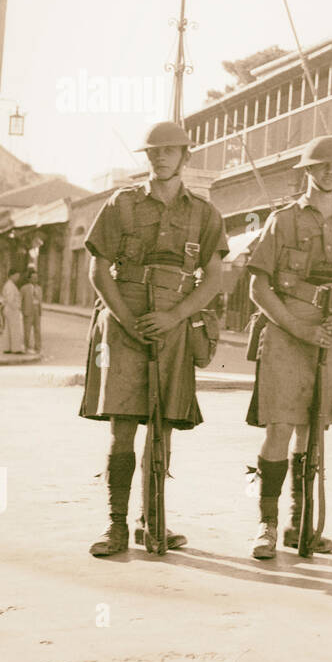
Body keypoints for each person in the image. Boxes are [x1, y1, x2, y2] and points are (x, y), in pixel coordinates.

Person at [80, 120, 227, 557]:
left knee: (161, 431)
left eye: (168, 151)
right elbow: (97, 269)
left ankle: (154, 523)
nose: (159, 157)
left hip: (172, 328)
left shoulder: (203, 213)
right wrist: (124, 320)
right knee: (122, 430)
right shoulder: (122, 204)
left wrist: (177, 316)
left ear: (185, 155)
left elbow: (214, 278)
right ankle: (116, 527)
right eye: (153, 152)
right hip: (124, 325)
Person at [244, 136, 332, 559]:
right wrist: (294, 328)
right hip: (288, 333)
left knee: (313, 432)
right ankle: (266, 526)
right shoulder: (283, 221)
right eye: (321, 166)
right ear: (307, 171)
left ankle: (299, 524)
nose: (329, 172)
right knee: (279, 430)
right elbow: (258, 287)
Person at [0, 271, 24, 353]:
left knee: (8, 329)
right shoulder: (10, 286)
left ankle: (8, 347)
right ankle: (16, 348)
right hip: (12, 309)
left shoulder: (9, 285)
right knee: (15, 329)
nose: (18, 278)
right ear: (11, 275)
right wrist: (17, 307)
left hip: (8, 309)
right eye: (16, 276)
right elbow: (10, 300)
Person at [20, 269, 43, 353]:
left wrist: (40, 311)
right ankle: (26, 346)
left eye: (36, 278)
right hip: (28, 311)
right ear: (29, 279)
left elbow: (40, 300)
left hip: (37, 310)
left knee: (37, 330)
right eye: (33, 278)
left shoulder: (39, 289)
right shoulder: (24, 288)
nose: (35, 280)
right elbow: (20, 300)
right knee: (27, 330)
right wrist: (22, 311)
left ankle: (38, 347)